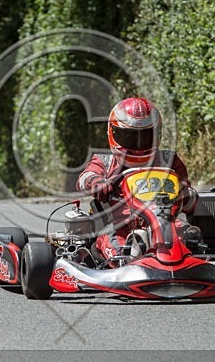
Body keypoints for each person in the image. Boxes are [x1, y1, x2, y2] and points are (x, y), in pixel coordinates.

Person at [76, 97, 198, 261]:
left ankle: (188, 260)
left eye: (145, 137)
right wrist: (97, 183)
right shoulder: (105, 161)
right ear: (113, 134)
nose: (138, 145)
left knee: (188, 234)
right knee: (113, 241)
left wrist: (187, 194)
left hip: (164, 221)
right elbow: (85, 177)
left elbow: (184, 190)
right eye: (130, 138)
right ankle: (128, 259)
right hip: (120, 225)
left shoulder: (168, 160)